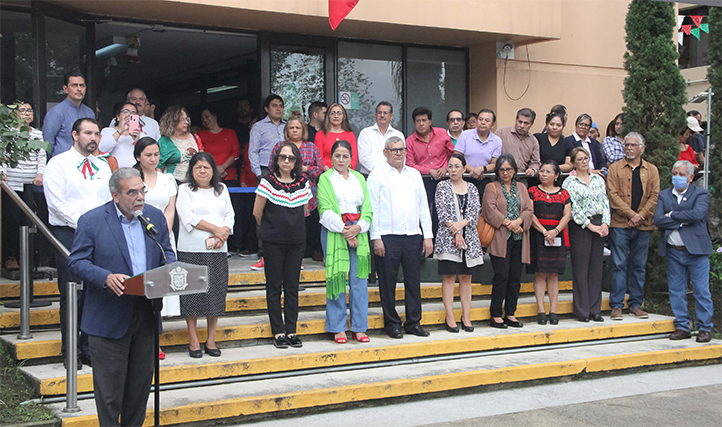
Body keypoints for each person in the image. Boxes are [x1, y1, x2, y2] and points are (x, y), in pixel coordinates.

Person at [68, 167, 175, 426]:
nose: (140, 197)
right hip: (108, 316)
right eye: (132, 192)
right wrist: (104, 277)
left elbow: (167, 254)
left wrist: (170, 274)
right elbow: (77, 262)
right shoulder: (92, 220)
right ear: (115, 195)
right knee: (109, 394)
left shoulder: (154, 217)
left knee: (138, 392)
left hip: (146, 313)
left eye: (142, 190)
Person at [44, 117, 112, 369]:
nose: (93, 138)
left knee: (95, 292)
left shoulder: (102, 166)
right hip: (69, 234)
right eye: (88, 133)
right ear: (74, 135)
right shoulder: (58, 164)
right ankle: (69, 349)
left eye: (96, 134)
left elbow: (108, 201)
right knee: (72, 293)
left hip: (98, 235)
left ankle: (87, 347)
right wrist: (86, 226)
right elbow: (57, 204)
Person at [368, 136, 434, 339]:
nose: (398, 153)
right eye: (393, 149)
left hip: (413, 235)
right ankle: (392, 323)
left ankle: (414, 322)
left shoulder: (414, 174)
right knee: (388, 283)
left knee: (413, 281)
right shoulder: (377, 175)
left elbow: (423, 206)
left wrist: (428, 235)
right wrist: (376, 237)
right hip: (387, 237)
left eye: (401, 149)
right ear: (385, 153)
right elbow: (373, 208)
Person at [176, 153, 235, 358]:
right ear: (192, 170)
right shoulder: (184, 189)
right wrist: (217, 229)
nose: (202, 171)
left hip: (217, 248)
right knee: (191, 294)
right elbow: (188, 217)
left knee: (215, 294)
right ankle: (193, 339)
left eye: (207, 167)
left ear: (213, 171)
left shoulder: (222, 189)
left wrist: (223, 232)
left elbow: (230, 214)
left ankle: (211, 340)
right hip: (191, 249)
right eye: (198, 167)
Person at [253, 143, 312, 348]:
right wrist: (273, 230)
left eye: (291, 158)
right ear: (277, 160)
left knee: (293, 288)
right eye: (283, 157)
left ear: (296, 161)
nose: (286, 161)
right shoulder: (267, 182)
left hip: (296, 242)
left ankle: (292, 331)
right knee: (274, 287)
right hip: (273, 242)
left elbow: (304, 210)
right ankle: (278, 332)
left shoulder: (303, 183)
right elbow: (257, 213)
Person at [318, 140, 372, 343]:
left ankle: (359, 327)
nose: (341, 160)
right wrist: (345, 231)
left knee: (359, 282)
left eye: (345, 156)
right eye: (337, 156)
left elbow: (367, 207)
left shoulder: (359, 178)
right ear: (331, 157)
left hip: (359, 231)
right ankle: (338, 327)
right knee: (337, 279)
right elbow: (324, 209)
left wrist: (358, 228)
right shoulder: (325, 179)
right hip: (334, 232)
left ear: (352, 159)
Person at [654, 160, 714, 343]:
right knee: (676, 290)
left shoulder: (701, 194)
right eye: (675, 173)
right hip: (674, 251)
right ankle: (682, 325)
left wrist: (671, 215)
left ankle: (704, 328)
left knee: (701, 290)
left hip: (697, 252)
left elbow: (697, 215)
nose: (677, 177)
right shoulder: (664, 195)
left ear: (690, 177)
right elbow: (658, 219)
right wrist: (681, 220)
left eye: (681, 174)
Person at [607, 132, 659, 321]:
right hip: (620, 224)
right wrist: (631, 215)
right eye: (626, 145)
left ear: (642, 148)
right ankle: (617, 305)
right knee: (618, 265)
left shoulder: (651, 170)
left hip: (643, 225)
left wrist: (640, 216)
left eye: (633, 145)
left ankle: (636, 304)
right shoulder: (614, 168)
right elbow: (612, 195)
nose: (628, 148)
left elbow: (654, 196)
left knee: (639, 266)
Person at [133, 137, 180, 332]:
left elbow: (170, 208)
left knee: (162, 277)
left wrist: (164, 232)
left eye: (156, 155)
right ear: (138, 156)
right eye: (148, 155)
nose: (153, 159)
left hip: (163, 235)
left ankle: (158, 330)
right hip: (136, 232)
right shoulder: (132, 178)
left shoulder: (167, 178)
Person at [481, 154, 533, 329]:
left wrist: (519, 222)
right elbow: (489, 209)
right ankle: (496, 314)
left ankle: (510, 313)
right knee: (501, 276)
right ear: (497, 171)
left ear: (514, 170)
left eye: (509, 169)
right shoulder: (491, 187)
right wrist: (508, 223)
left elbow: (528, 209)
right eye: (502, 169)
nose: (505, 172)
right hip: (500, 238)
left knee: (515, 277)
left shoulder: (521, 187)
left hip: (519, 237)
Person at [433, 153, 482, 333]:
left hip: (468, 238)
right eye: (450, 166)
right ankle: (450, 315)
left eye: (457, 166)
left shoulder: (473, 188)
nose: (453, 170)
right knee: (449, 277)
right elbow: (442, 212)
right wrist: (456, 231)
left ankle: (466, 316)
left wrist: (461, 228)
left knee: (466, 277)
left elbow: (474, 213)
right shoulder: (442, 186)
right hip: (448, 238)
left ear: (464, 168)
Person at [562, 147, 610, 322]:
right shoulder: (569, 182)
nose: (584, 161)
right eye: (580, 159)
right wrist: (589, 225)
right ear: (573, 162)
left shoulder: (598, 179)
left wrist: (605, 223)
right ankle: (582, 310)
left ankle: (594, 309)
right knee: (581, 268)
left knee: (596, 268)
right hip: (581, 226)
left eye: (586, 158)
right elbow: (573, 208)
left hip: (599, 223)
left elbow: (605, 201)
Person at [269, 116, 324, 261]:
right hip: (285, 193)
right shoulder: (279, 146)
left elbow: (319, 169)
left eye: (298, 127)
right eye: (291, 128)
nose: (294, 130)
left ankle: (312, 251)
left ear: (303, 130)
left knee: (310, 224)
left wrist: (305, 169)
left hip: (309, 193)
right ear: (287, 130)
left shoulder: (311, 147)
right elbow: (272, 166)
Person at [1, 100, 46, 270]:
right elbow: (3, 155)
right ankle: (10, 256)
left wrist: (41, 173)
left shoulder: (38, 134)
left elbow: (41, 155)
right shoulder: (8, 133)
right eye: (22, 110)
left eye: (29, 110)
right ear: (15, 114)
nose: (27, 113)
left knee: (28, 221)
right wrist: (2, 172)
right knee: (11, 221)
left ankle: (26, 258)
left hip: (30, 184)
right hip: (11, 183)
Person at [527, 160, 571, 325]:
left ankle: (553, 310)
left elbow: (567, 215)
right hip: (539, 235)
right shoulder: (532, 191)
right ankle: (540, 310)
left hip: (557, 235)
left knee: (553, 274)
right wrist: (544, 231)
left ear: (556, 175)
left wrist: (555, 231)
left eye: (548, 172)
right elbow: (530, 214)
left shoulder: (564, 193)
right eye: (542, 171)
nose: (544, 174)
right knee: (539, 274)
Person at [405, 106, 455, 239]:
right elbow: (410, 164)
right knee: (423, 211)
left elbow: (453, 154)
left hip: (444, 179)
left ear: (430, 121)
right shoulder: (409, 141)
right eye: (417, 121)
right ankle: (425, 243)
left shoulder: (442, 133)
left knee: (443, 212)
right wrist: (429, 170)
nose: (421, 124)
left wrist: (446, 167)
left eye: (424, 120)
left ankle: (441, 243)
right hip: (423, 181)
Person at [42, 71, 95, 157]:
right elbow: (47, 144)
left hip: (85, 163)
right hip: (62, 164)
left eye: (82, 85)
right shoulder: (56, 112)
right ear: (65, 89)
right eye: (74, 85)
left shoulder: (89, 113)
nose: (79, 89)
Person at [454, 109, 502, 202]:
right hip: (464, 177)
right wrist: (473, 171)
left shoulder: (497, 140)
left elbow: (494, 163)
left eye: (487, 121)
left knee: (483, 209)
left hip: (484, 179)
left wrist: (482, 169)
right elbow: (456, 157)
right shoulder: (465, 135)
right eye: (480, 119)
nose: (483, 123)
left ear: (493, 124)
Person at [357, 101, 404, 175]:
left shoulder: (398, 135)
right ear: (375, 115)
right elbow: (364, 159)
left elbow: (401, 158)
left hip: (392, 177)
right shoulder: (366, 133)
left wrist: (391, 172)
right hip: (370, 176)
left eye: (385, 113)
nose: (382, 115)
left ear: (391, 116)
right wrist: (381, 173)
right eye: (379, 113)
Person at [158, 106, 203, 182]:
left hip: (194, 182)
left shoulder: (195, 137)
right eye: (182, 119)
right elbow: (158, 167)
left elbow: (203, 159)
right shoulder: (164, 141)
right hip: (173, 183)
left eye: (186, 119)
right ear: (172, 121)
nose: (186, 122)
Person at [198, 107, 240, 186]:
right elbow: (200, 155)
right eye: (202, 119)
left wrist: (223, 167)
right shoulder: (200, 135)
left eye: (207, 116)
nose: (205, 120)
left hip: (229, 176)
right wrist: (214, 170)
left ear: (215, 116)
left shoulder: (230, 133)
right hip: (209, 177)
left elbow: (236, 153)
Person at [496, 108, 541, 179]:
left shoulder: (533, 141)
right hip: (502, 178)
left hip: (521, 179)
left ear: (531, 124)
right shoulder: (501, 133)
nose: (522, 126)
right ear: (516, 120)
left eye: (526, 123)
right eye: (520, 122)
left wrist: (532, 169)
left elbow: (535, 162)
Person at [249, 94, 286, 180]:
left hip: (286, 168)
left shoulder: (288, 126)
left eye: (281, 106)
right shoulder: (258, 126)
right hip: (266, 169)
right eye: (274, 106)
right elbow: (253, 151)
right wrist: (259, 173)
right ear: (266, 109)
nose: (278, 109)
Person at [314, 103, 357, 171]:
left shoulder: (350, 135)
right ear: (328, 116)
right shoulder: (320, 134)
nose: (336, 116)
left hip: (346, 174)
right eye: (332, 113)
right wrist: (330, 173)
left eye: (339, 113)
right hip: (326, 173)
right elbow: (319, 158)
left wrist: (345, 172)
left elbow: (354, 158)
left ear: (344, 116)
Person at [99, 102, 141, 168]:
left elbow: (145, 155)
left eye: (133, 113)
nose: (129, 115)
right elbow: (102, 150)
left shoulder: (141, 135)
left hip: (135, 172)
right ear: (118, 116)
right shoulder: (107, 131)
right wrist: (120, 131)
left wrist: (137, 140)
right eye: (126, 111)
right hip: (114, 172)